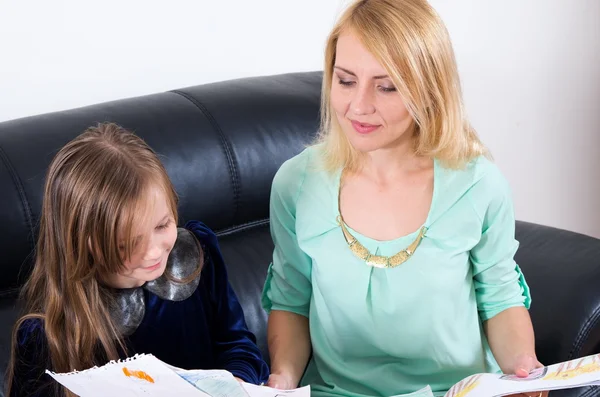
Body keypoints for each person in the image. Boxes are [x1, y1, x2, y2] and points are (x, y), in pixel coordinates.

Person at [261, 1, 547, 396]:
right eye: (345, 81)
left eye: (387, 86)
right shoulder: (295, 184)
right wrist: (283, 380)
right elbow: (292, 302)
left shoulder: (478, 185)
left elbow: (499, 299)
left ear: (428, 89)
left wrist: (523, 369)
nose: (358, 106)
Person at [5, 123, 269, 397]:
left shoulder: (197, 254)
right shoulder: (45, 334)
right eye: (130, 244)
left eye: (163, 225)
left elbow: (238, 346)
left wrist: (238, 382)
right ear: (83, 243)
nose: (154, 252)